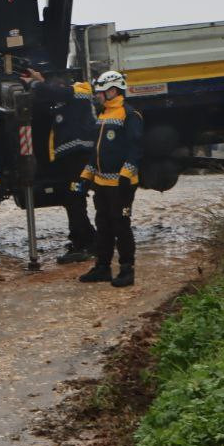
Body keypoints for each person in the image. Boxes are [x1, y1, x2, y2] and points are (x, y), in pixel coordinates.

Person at [19, 66, 97, 263]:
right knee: (72, 199)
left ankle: (85, 244)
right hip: (72, 160)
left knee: (75, 199)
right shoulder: (65, 100)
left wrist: (36, 82)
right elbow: (50, 96)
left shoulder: (80, 91)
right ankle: (86, 240)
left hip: (81, 159)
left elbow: (54, 92)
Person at [77, 70, 142, 288]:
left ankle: (127, 270)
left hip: (121, 185)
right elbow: (96, 152)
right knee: (103, 225)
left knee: (121, 225)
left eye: (101, 92)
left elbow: (136, 148)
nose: (98, 96)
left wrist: (126, 174)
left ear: (113, 91)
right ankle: (102, 268)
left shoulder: (129, 115)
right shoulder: (103, 115)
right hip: (102, 183)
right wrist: (86, 176)